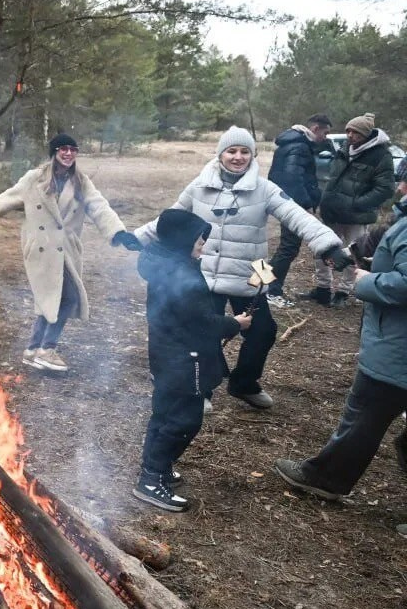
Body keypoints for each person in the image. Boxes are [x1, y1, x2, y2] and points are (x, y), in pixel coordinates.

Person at [134, 127, 350, 409]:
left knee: (264, 330)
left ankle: (244, 383)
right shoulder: (200, 184)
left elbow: (297, 216)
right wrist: (133, 238)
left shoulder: (265, 188)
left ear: (253, 154)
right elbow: (171, 218)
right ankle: (203, 390)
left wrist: (329, 245)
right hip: (206, 269)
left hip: (253, 267)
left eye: (244, 151)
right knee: (203, 330)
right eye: (232, 151)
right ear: (220, 154)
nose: (238, 157)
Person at [274, 194, 407, 503]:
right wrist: (351, 252)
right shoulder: (401, 218)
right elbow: (382, 236)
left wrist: (368, 281)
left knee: (365, 412)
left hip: (397, 347)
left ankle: (325, 478)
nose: (399, 184)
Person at [0, 134, 138, 374]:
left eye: (73, 149)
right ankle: (47, 349)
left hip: (67, 251)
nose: (68, 153)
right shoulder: (34, 179)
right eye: (63, 149)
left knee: (54, 299)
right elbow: (3, 201)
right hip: (40, 250)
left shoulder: (81, 181)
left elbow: (99, 206)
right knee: (65, 297)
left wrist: (118, 233)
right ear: (54, 152)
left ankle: (32, 349)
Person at [133, 209, 251, 512]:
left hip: (166, 353)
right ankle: (150, 478)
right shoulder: (181, 274)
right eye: (200, 239)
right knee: (185, 420)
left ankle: (156, 466)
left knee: (163, 412)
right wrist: (235, 323)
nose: (204, 244)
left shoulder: (166, 263)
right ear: (182, 239)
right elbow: (201, 322)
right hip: (186, 358)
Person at [306, 113, 397, 307]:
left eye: (354, 132)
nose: (349, 135)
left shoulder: (381, 156)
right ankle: (323, 288)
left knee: (354, 252)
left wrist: (357, 203)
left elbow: (386, 189)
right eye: (348, 130)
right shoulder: (345, 148)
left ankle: (343, 291)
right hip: (332, 211)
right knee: (323, 248)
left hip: (356, 215)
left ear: (365, 134)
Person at [265, 114, 332, 304]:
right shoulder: (299, 146)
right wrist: (306, 204)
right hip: (292, 205)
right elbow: (292, 177)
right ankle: (271, 291)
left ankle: (260, 285)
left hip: (287, 202)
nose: (325, 138)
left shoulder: (295, 142)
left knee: (283, 248)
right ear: (316, 128)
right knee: (288, 248)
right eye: (325, 133)